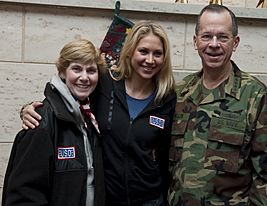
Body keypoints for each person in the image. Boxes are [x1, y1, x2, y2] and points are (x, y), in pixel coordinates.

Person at [19, 20, 177, 206]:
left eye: (157, 54)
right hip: (106, 198)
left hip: (150, 200)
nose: (150, 60)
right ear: (130, 51)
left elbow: (168, 155)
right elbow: (67, 94)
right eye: (143, 51)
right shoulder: (105, 84)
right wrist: (30, 109)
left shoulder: (167, 99)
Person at [167, 4, 267, 206]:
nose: (214, 44)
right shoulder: (179, 92)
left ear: (235, 42)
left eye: (223, 37)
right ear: (195, 41)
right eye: (206, 36)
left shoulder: (255, 95)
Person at [2, 39, 106, 206]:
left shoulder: (92, 115)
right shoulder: (41, 121)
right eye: (77, 69)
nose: (84, 77)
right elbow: (24, 196)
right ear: (63, 72)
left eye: (91, 70)